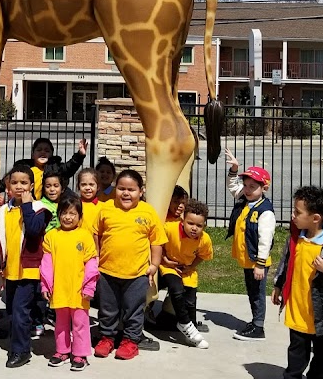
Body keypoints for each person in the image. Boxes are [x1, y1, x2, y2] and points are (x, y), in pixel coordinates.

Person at [273, 185, 323, 379]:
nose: (293, 216)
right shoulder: (296, 236)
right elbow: (286, 261)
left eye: (297, 212)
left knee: (322, 362)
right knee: (296, 359)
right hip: (298, 313)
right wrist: (278, 285)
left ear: (315, 218)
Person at [92, 168, 167, 360]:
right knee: (108, 309)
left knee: (133, 309)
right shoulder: (105, 208)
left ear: (141, 192)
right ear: (115, 189)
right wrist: (97, 258)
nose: (126, 193)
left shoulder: (148, 211)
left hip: (137, 273)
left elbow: (156, 241)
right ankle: (107, 337)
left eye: (131, 189)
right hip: (107, 272)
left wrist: (154, 265)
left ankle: (131, 341)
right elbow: (96, 234)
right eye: (121, 188)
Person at [0, 163, 53, 368]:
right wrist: (0, 262)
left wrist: (27, 205)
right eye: (14, 182)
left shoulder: (40, 209)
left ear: (32, 185)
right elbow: (1, 238)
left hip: (29, 271)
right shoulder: (4, 210)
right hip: (10, 270)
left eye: (24, 182)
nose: (19, 186)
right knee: (12, 311)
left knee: (21, 312)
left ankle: (21, 351)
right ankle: (17, 343)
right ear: (8, 185)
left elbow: (33, 230)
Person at [40, 196, 99, 371]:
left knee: (81, 324)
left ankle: (80, 355)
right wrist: (45, 285)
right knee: (61, 323)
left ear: (80, 217)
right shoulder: (51, 236)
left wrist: (89, 287)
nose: (68, 217)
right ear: (58, 215)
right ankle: (62, 351)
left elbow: (92, 263)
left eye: (72, 213)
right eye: (64, 213)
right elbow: (46, 264)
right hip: (59, 289)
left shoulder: (85, 236)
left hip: (80, 291)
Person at [225, 146, 275, 341]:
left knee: (257, 294)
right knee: (251, 291)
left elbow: (265, 239)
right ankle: (255, 320)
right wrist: (234, 170)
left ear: (264, 188)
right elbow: (233, 187)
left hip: (257, 262)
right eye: (245, 185)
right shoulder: (246, 200)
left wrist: (260, 264)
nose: (247, 190)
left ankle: (258, 327)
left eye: (252, 187)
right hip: (248, 259)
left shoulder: (265, 212)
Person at [157, 198, 213, 348]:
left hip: (187, 270)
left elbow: (203, 255)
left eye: (199, 225)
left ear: (204, 225)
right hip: (168, 266)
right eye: (190, 223)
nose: (194, 228)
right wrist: (165, 260)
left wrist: (190, 266)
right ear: (182, 220)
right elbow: (157, 243)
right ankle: (185, 324)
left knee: (190, 301)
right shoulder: (169, 228)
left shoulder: (204, 239)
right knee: (176, 290)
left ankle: (190, 328)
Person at [0, 138, 88, 203]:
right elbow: (5, 182)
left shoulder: (55, 167)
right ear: (33, 154)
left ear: (52, 154)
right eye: (39, 150)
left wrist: (80, 155)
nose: (43, 152)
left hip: (47, 206)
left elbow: (69, 167)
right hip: (25, 204)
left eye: (47, 150)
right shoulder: (23, 167)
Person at [76, 168, 102, 233]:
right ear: (78, 187)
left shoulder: (103, 207)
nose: (87, 188)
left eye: (91, 184)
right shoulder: (74, 205)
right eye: (83, 185)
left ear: (98, 187)